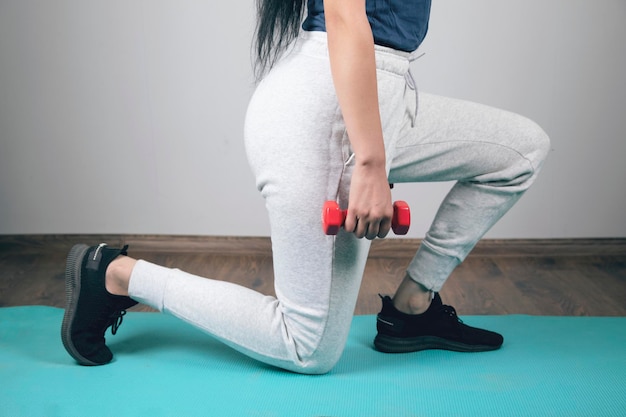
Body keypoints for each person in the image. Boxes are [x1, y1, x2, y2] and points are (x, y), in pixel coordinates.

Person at [61, 0, 550, 373]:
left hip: (383, 97)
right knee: (307, 347)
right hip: (324, 112)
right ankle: (118, 274)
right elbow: (341, 15)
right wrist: (371, 162)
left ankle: (412, 309)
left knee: (519, 151)